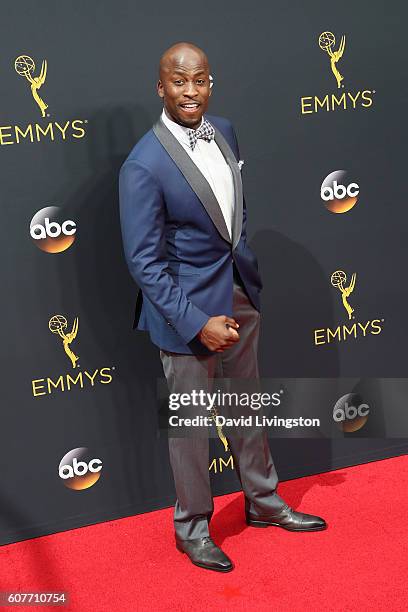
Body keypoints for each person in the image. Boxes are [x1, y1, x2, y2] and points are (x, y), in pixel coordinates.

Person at [119, 42, 326, 573]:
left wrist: (241, 268)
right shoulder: (143, 164)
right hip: (186, 314)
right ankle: (192, 528)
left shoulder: (226, 131)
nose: (192, 92)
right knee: (191, 428)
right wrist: (195, 322)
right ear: (160, 87)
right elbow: (145, 264)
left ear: (212, 82)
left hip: (238, 293)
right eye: (180, 82)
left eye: (201, 80)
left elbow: (231, 211)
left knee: (246, 406)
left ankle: (263, 502)